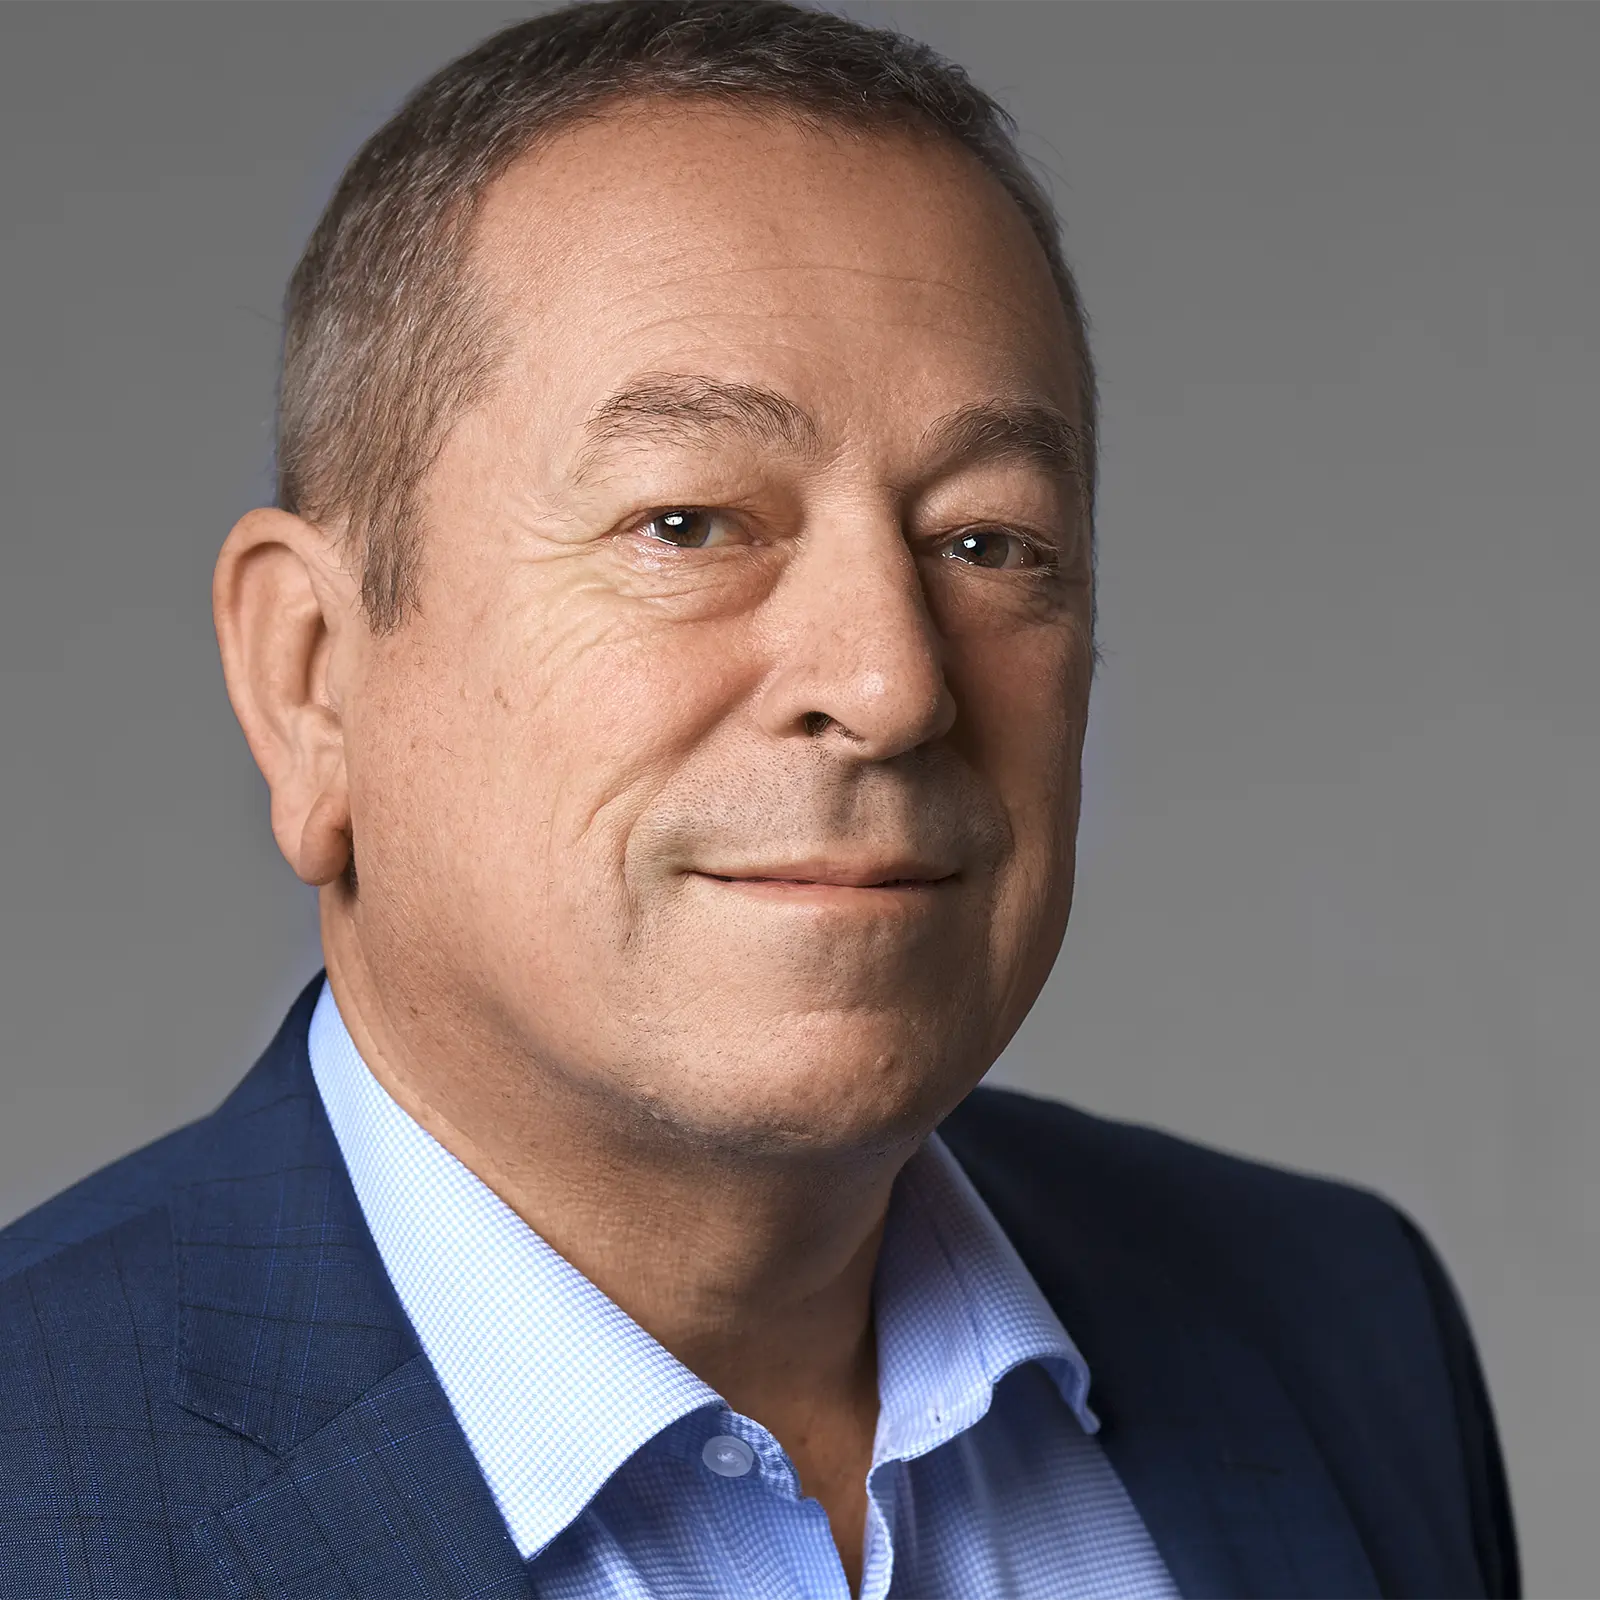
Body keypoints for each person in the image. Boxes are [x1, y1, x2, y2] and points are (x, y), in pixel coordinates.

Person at [0, 3, 1517, 1596]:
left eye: (987, 542)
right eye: (690, 522)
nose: (894, 684)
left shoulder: (1347, 1329)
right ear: (314, 677)